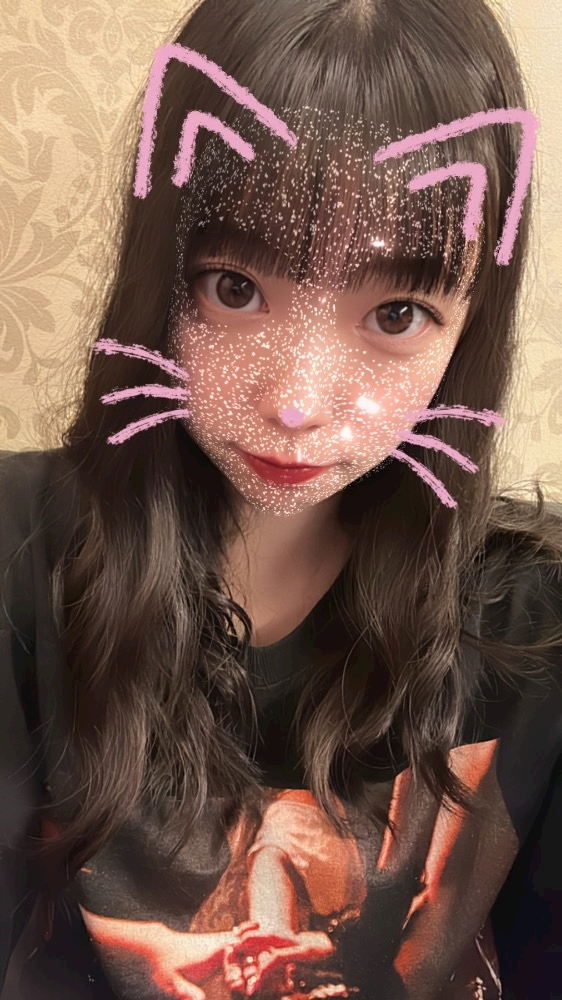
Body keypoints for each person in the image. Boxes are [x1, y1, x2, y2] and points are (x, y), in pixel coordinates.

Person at [0, 0, 561, 997]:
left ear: (470, 324)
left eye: (397, 312)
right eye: (233, 287)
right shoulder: (18, 551)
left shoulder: (538, 626)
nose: (296, 403)